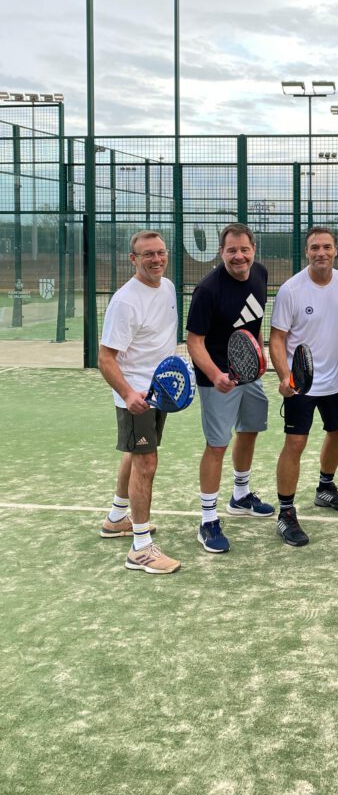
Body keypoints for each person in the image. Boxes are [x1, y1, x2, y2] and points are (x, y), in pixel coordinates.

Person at [186, 223, 274, 554]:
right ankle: (208, 520)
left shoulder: (260, 275)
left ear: (253, 250)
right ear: (221, 252)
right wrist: (216, 374)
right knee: (217, 445)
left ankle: (240, 496)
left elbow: (255, 322)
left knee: (250, 430)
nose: (238, 256)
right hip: (217, 381)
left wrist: (261, 352)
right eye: (231, 251)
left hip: (250, 374)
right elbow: (194, 342)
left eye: (244, 250)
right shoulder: (208, 290)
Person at [269, 227, 338, 547]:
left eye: (327, 247)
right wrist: (284, 377)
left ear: (336, 250)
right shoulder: (291, 290)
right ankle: (285, 513)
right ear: (306, 252)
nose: (321, 252)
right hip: (300, 384)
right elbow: (277, 339)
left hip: (335, 381)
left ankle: (325, 488)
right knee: (295, 443)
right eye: (314, 248)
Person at [97, 230, 180, 574]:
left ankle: (118, 517)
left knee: (136, 454)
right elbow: (105, 357)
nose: (156, 259)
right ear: (133, 259)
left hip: (159, 391)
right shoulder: (125, 301)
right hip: (137, 397)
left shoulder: (170, 287)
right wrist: (129, 394)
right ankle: (141, 549)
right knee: (146, 464)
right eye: (147, 254)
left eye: (160, 252)